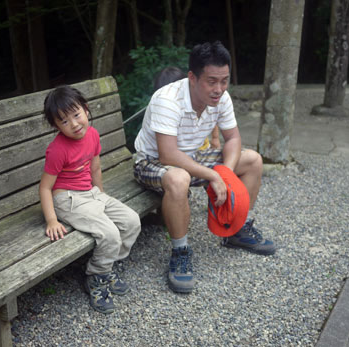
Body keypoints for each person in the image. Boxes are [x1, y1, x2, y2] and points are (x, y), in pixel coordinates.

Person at [134, 41, 275, 294]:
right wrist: (211, 174)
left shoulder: (222, 98)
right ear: (192, 77)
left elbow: (233, 139)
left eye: (224, 80)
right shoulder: (167, 100)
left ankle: (237, 229)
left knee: (252, 160)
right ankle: (180, 252)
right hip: (152, 161)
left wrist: (225, 175)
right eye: (212, 81)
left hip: (192, 157)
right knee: (178, 178)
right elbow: (168, 154)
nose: (219, 89)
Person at [39, 85, 141, 314]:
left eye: (76, 115)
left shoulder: (92, 134)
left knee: (132, 221)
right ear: (56, 126)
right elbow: (45, 188)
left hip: (90, 193)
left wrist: (102, 197)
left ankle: (108, 264)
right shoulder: (57, 149)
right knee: (110, 233)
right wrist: (52, 220)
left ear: (86, 110)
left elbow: (95, 168)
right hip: (67, 198)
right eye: (64, 121)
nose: (74, 124)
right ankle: (97, 277)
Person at [153, 66, 221, 150]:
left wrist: (215, 138)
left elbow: (212, 116)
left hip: (201, 148)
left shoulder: (196, 102)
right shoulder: (163, 108)